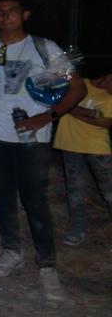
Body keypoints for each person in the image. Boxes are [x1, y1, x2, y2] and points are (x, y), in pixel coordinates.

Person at [0, 0, 85, 301]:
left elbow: (78, 88)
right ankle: (12, 250)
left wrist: (47, 116)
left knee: (35, 198)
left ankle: (47, 265)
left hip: (33, 136)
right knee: (3, 194)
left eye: (11, 10)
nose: (4, 15)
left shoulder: (44, 47)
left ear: (25, 15)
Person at [53, 71, 112, 246]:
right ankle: (77, 230)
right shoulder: (79, 84)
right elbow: (56, 101)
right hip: (71, 145)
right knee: (75, 192)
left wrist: (70, 109)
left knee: (110, 192)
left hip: (98, 148)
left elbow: (107, 123)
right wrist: (91, 114)